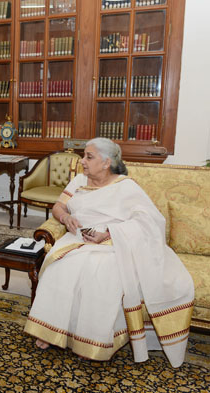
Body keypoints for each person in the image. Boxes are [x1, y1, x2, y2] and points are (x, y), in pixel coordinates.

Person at [24, 138, 194, 367]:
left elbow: (150, 222)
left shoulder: (126, 187)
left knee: (100, 272)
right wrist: (65, 217)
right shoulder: (78, 181)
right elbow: (58, 206)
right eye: (84, 156)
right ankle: (50, 331)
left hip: (115, 244)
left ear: (106, 163)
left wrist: (109, 234)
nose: (82, 161)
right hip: (77, 239)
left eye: (88, 157)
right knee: (58, 265)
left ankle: (90, 342)